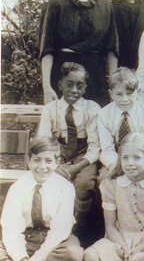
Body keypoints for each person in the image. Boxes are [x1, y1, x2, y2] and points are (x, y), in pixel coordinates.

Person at [39, 0, 118, 106]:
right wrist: (46, 86)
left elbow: (112, 47)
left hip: (95, 77)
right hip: (64, 74)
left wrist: (114, 85)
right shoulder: (55, 3)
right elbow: (46, 48)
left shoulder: (105, 3)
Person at [84, 133, 144, 261]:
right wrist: (125, 248)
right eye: (125, 158)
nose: (130, 163)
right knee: (90, 255)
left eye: (137, 157)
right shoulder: (111, 185)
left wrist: (139, 249)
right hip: (120, 239)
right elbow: (110, 227)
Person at [37, 62, 100, 235]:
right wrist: (56, 165)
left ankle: (76, 229)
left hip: (84, 156)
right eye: (69, 84)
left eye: (79, 86)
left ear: (85, 88)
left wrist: (75, 167)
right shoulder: (50, 110)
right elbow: (44, 142)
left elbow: (95, 147)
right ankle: (53, 226)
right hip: (58, 154)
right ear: (60, 85)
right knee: (52, 180)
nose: (74, 90)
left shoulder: (92, 109)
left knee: (85, 184)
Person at [0, 136, 84, 261]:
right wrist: (22, 258)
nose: (42, 167)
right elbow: (11, 228)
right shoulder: (17, 187)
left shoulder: (65, 188)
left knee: (73, 253)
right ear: (28, 161)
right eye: (36, 160)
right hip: (25, 237)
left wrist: (37, 258)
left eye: (48, 161)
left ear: (57, 162)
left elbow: (61, 229)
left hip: (55, 241)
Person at [98, 68, 144, 175]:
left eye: (129, 94)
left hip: (142, 161)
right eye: (119, 94)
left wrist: (135, 165)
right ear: (111, 94)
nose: (125, 99)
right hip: (115, 161)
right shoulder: (104, 114)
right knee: (104, 179)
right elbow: (107, 148)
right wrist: (118, 166)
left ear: (138, 92)